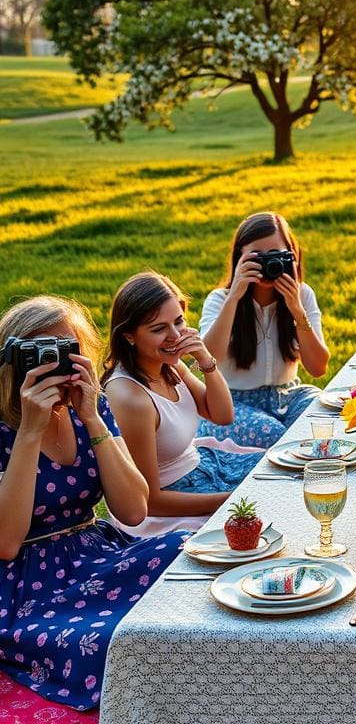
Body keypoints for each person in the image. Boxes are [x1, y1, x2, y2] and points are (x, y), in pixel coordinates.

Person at [0, 296, 185, 711]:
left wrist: (93, 420)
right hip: (26, 584)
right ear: (12, 359)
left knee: (186, 554)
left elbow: (135, 510)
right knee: (110, 641)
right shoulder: (4, 424)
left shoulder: (92, 405)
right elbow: (6, 542)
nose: (55, 364)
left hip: (92, 554)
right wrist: (30, 432)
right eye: (39, 354)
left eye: (67, 350)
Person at [102, 272, 262, 536]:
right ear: (129, 335)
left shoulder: (168, 365)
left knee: (278, 478)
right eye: (158, 328)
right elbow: (150, 501)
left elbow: (222, 415)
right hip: (171, 503)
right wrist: (231, 500)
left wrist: (204, 357)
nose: (175, 335)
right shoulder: (131, 398)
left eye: (178, 321)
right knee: (261, 509)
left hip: (202, 468)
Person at [199, 212, 330, 448]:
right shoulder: (220, 300)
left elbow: (318, 368)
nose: (269, 264)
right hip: (231, 404)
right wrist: (234, 299)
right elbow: (209, 359)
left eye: (276, 255)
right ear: (240, 258)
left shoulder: (302, 295)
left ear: (292, 256)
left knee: (323, 419)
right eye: (257, 257)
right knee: (278, 437)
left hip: (288, 395)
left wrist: (296, 311)